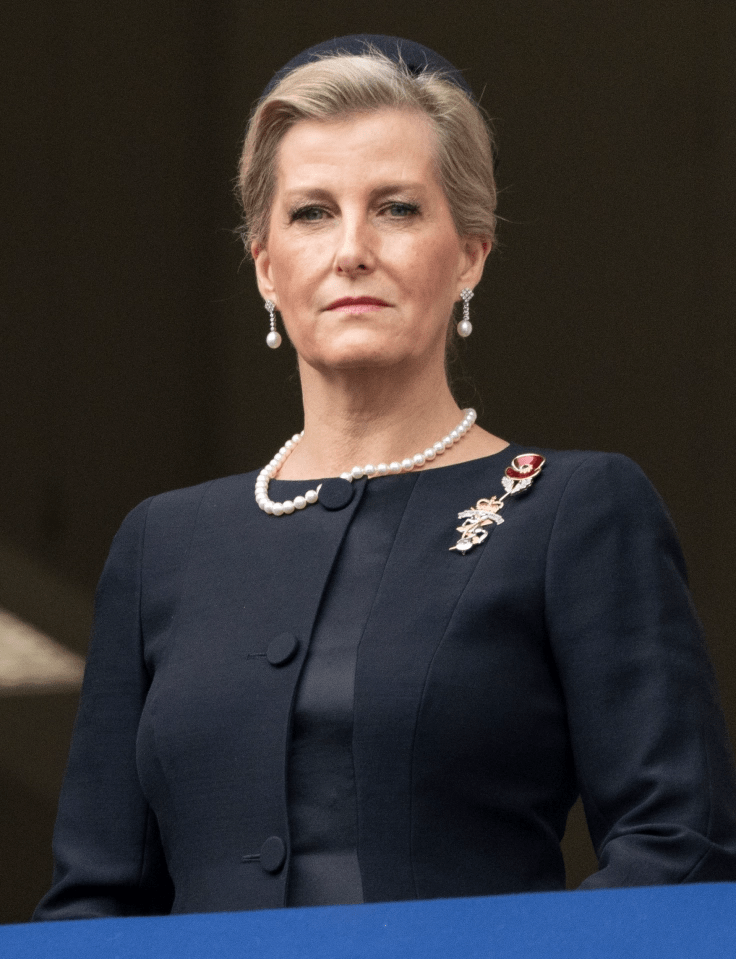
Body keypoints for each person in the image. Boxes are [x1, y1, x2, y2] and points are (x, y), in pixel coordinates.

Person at [34, 35, 736, 920]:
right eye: (311, 213)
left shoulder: (575, 507)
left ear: (471, 253)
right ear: (264, 266)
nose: (353, 249)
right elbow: (94, 900)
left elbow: (681, 849)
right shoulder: (161, 545)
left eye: (398, 209)